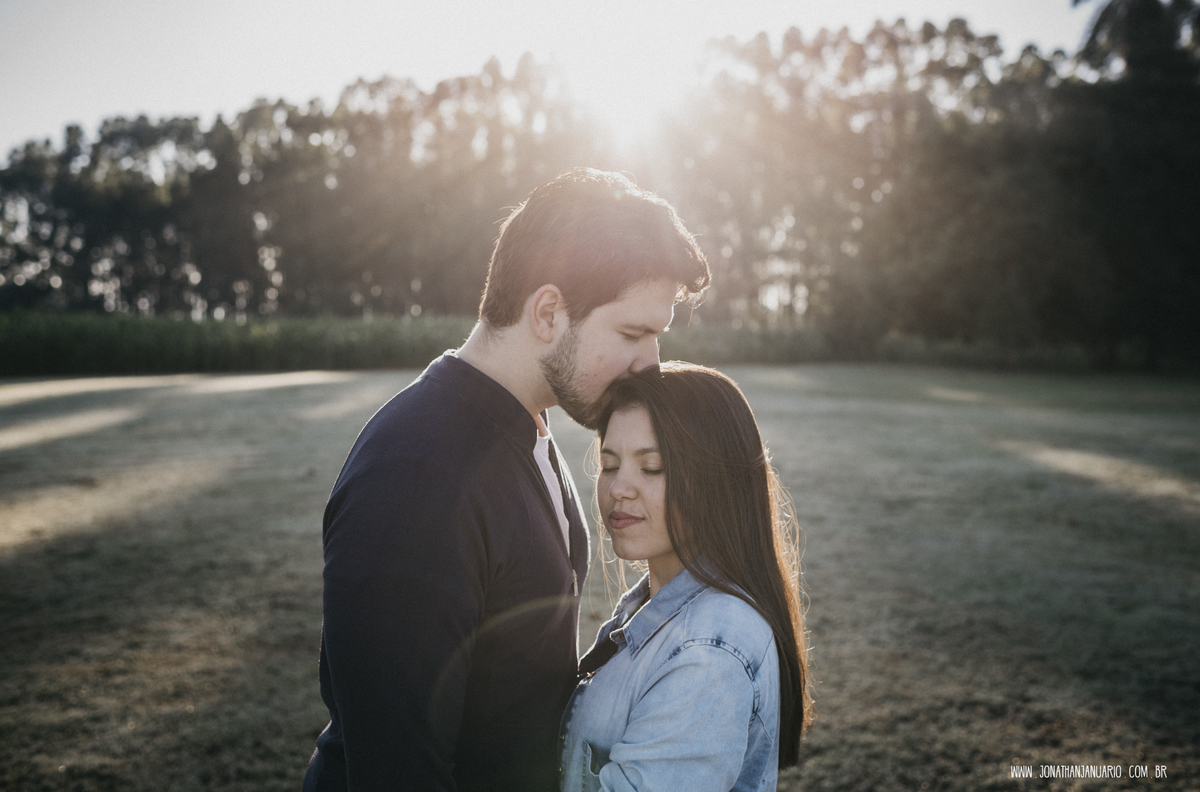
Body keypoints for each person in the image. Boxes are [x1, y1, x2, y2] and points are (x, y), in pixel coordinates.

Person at [303, 168, 710, 792]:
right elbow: (397, 768)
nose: (649, 364)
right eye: (633, 333)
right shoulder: (416, 477)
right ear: (547, 312)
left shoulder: (527, 424)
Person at [560, 362, 811, 792]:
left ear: (716, 481)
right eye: (609, 463)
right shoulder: (656, 608)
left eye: (651, 467)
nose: (620, 487)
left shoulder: (710, 652)